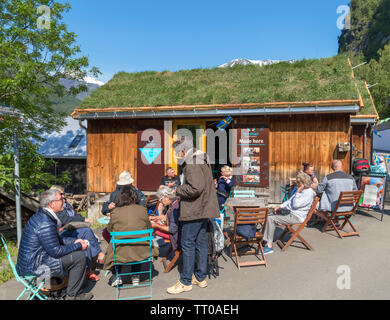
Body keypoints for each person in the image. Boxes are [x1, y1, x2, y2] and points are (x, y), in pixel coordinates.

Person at [16, 189, 93, 300]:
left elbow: (55, 239)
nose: (64, 201)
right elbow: (56, 252)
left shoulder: (43, 216)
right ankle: (72, 296)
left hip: (32, 260)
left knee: (74, 252)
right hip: (35, 265)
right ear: (52, 204)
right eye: (61, 199)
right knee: (79, 256)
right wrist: (79, 246)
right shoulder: (46, 222)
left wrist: (73, 242)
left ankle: (68, 289)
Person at [166, 137, 219, 295]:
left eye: (177, 152)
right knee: (200, 243)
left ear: (183, 150)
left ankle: (185, 282)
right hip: (202, 208)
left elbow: (195, 188)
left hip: (194, 209)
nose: (177, 156)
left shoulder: (191, 162)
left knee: (188, 243)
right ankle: (201, 278)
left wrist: (177, 190)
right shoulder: (200, 158)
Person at [103, 185, 157, 287]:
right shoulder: (142, 210)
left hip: (120, 251)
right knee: (136, 241)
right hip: (142, 250)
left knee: (118, 244)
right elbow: (149, 229)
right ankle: (135, 275)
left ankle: (117, 275)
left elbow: (110, 230)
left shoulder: (115, 211)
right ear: (135, 196)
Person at [50, 185, 104, 282]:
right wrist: (83, 219)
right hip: (63, 232)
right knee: (86, 232)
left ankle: (89, 268)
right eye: (61, 194)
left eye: (64, 194)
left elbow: (75, 214)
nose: (64, 197)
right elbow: (65, 219)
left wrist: (81, 219)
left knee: (85, 240)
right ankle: (98, 255)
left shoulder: (66, 204)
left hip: (71, 229)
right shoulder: (55, 207)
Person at [263, 172, 316, 254]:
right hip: (291, 213)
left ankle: (269, 245)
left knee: (271, 218)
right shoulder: (302, 190)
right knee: (269, 215)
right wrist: (280, 206)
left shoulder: (308, 193)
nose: (296, 184)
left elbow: (295, 205)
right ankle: (265, 239)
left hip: (296, 216)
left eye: (298, 183)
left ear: (302, 183)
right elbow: (289, 201)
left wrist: (297, 192)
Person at [101, 171, 146, 243]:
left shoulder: (136, 193)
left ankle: (116, 247)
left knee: (106, 232)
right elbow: (105, 208)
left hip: (122, 224)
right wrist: (108, 207)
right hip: (134, 224)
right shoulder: (116, 193)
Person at [150, 186, 181, 251]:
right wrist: (155, 217)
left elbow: (172, 229)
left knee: (153, 228)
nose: (161, 202)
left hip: (176, 235)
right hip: (177, 231)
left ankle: (149, 250)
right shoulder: (174, 202)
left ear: (166, 197)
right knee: (153, 224)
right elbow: (166, 218)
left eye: (161, 200)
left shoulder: (174, 208)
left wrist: (157, 225)